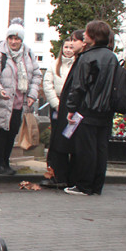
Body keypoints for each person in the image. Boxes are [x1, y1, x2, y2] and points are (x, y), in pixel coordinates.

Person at [63, 21, 120, 196]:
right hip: (106, 109)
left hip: (87, 108)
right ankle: (97, 185)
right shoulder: (112, 57)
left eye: (87, 33)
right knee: (101, 148)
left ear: (93, 36)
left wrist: (71, 108)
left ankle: (83, 185)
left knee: (86, 148)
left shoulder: (87, 57)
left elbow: (78, 86)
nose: (84, 36)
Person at [0, 19, 43, 175]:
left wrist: (32, 94)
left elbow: (37, 75)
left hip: (19, 101)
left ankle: (6, 162)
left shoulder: (28, 54)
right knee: (1, 132)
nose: (13, 42)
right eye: (11, 38)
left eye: (17, 39)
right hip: (2, 100)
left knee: (12, 133)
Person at [41, 31, 83, 188]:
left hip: (72, 106)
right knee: (56, 140)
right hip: (58, 105)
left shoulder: (78, 64)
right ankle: (56, 172)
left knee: (70, 140)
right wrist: (56, 103)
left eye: (71, 47)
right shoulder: (54, 65)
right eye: (66, 47)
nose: (68, 50)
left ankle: (70, 175)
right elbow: (48, 85)